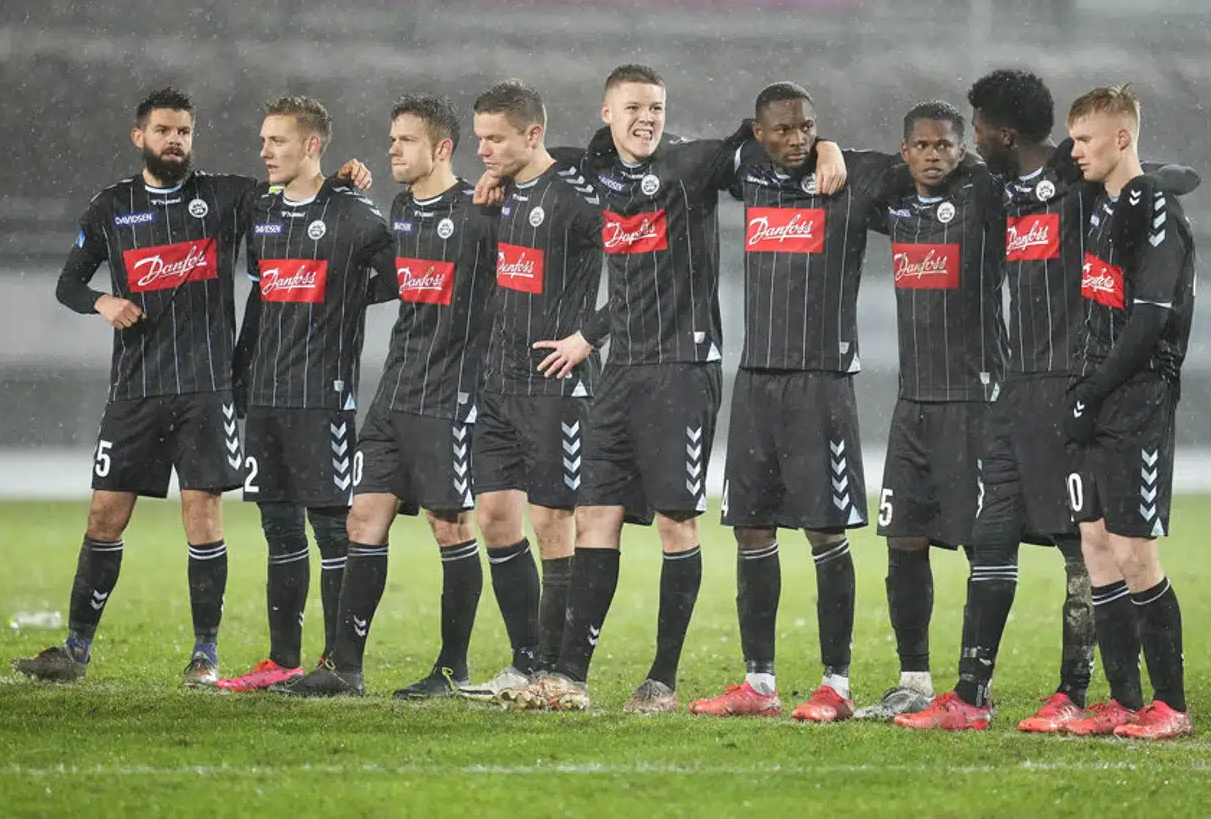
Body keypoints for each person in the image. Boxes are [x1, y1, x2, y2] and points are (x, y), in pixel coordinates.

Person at [496, 68, 846, 713]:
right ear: (607, 112)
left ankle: (661, 679)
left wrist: (827, 148)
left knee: (674, 523)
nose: (647, 118)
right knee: (595, 515)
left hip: (683, 371)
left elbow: (775, 146)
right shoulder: (592, 170)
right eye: (633, 107)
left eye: (656, 107)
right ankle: (570, 676)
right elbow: (534, 156)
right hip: (621, 372)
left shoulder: (694, 164)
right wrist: (499, 176)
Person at [14, 88, 368, 688]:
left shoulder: (225, 197)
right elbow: (68, 284)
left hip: (207, 389)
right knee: (105, 513)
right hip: (135, 390)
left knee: (202, 517)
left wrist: (338, 178)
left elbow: (295, 191)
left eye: (183, 131)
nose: (174, 141)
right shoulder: (112, 207)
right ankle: (75, 649)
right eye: (163, 131)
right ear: (140, 137)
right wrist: (102, 301)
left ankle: (205, 653)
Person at [897, 70, 1198, 732]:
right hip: (1015, 388)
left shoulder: (1077, 186)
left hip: (1075, 384)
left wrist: (1159, 180)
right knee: (993, 535)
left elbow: (1147, 183)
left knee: (1085, 548)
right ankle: (971, 696)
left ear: (1004, 132)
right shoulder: (997, 192)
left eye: (979, 129)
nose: (973, 142)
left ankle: (1081, 692)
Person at [275, 95, 497, 698]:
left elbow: (519, 286)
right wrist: (340, 189)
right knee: (363, 518)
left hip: (449, 394)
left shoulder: (481, 211)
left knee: (450, 527)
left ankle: (452, 670)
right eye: (392, 138)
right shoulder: (399, 209)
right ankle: (345, 668)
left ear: (441, 149)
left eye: (405, 140)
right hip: (395, 392)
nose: (392, 148)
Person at [687, 82, 888, 722]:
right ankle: (759, 684)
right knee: (751, 527)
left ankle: (837, 685)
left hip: (821, 381)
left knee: (825, 530)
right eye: (784, 130)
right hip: (757, 381)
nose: (798, 139)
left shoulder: (850, 176)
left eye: (808, 128)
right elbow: (698, 159)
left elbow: (924, 172)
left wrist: (834, 149)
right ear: (758, 133)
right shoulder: (745, 169)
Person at [215, 96, 397, 692]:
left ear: (312, 145)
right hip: (265, 396)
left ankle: (340, 665)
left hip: (323, 397)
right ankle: (283, 660)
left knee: (333, 531)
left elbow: (399, 277)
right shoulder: (263, 214)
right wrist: (240, 379)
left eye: (278, 141)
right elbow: (261, 300)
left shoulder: (354, 214)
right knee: (280, 530)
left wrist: (344, 298)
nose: (265, 151)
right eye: (263, 140)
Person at [851, 102, 1003, 720]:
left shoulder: (982, 201)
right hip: (912, 402)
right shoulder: (897, 209)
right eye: (922, 145)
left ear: (963, 151)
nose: (934, 154)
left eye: (945, 145)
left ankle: (975, 686)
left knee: (978, 546)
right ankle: (913, 680)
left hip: (972, 401)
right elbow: (855, 175)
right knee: (904, 539)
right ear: (905, 151)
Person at [457, 80, 604, 702]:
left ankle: (557, 669)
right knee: (494, 518)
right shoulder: (500, 196)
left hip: (554, 386)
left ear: (533, 134)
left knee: (551, 522)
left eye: (495, 139)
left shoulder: (575, 199)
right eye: (480, 138)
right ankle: (524, 662)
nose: (483, 150)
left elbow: (644, 270)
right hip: (498, 386)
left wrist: (588, 338)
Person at [1059, 86, 1196, 739]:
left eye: (1084, 139)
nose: (1073, 151)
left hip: (1137, 396)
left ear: (1120, 138)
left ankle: (1171, 705)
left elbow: (1149, 321)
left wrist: (1095, 392)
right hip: (1094, 390)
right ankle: (1121, 700)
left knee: (1136, 552)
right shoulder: (1102, 204)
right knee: (1096, 547)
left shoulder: (1157, 210)